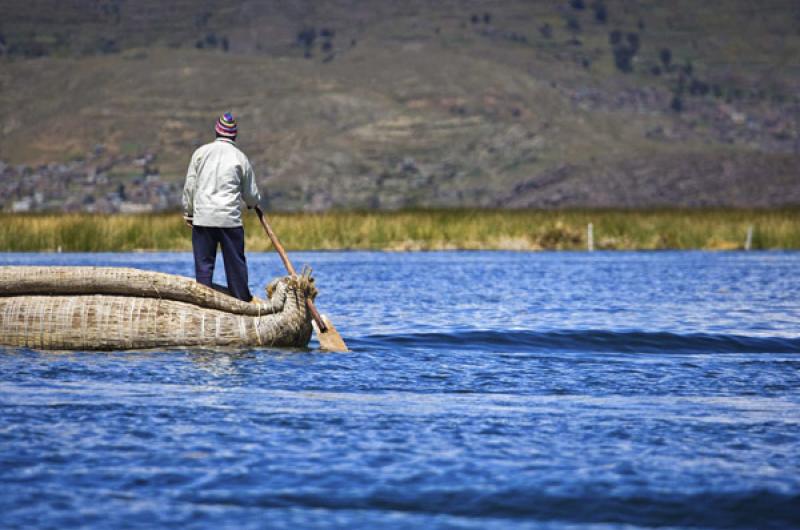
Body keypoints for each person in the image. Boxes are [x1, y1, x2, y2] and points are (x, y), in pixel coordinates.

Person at [182, 112, 262, 302]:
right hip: (230, 221)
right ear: (234, 135)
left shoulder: (200, 153)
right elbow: (251, 194)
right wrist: (253, 204)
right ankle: (242, 303)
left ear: (217, 132)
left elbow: (190, 187)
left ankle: (202, 305)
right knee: (236, 267)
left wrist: (189, 212)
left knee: (204, 268)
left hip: (204, 219)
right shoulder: (240, 157)